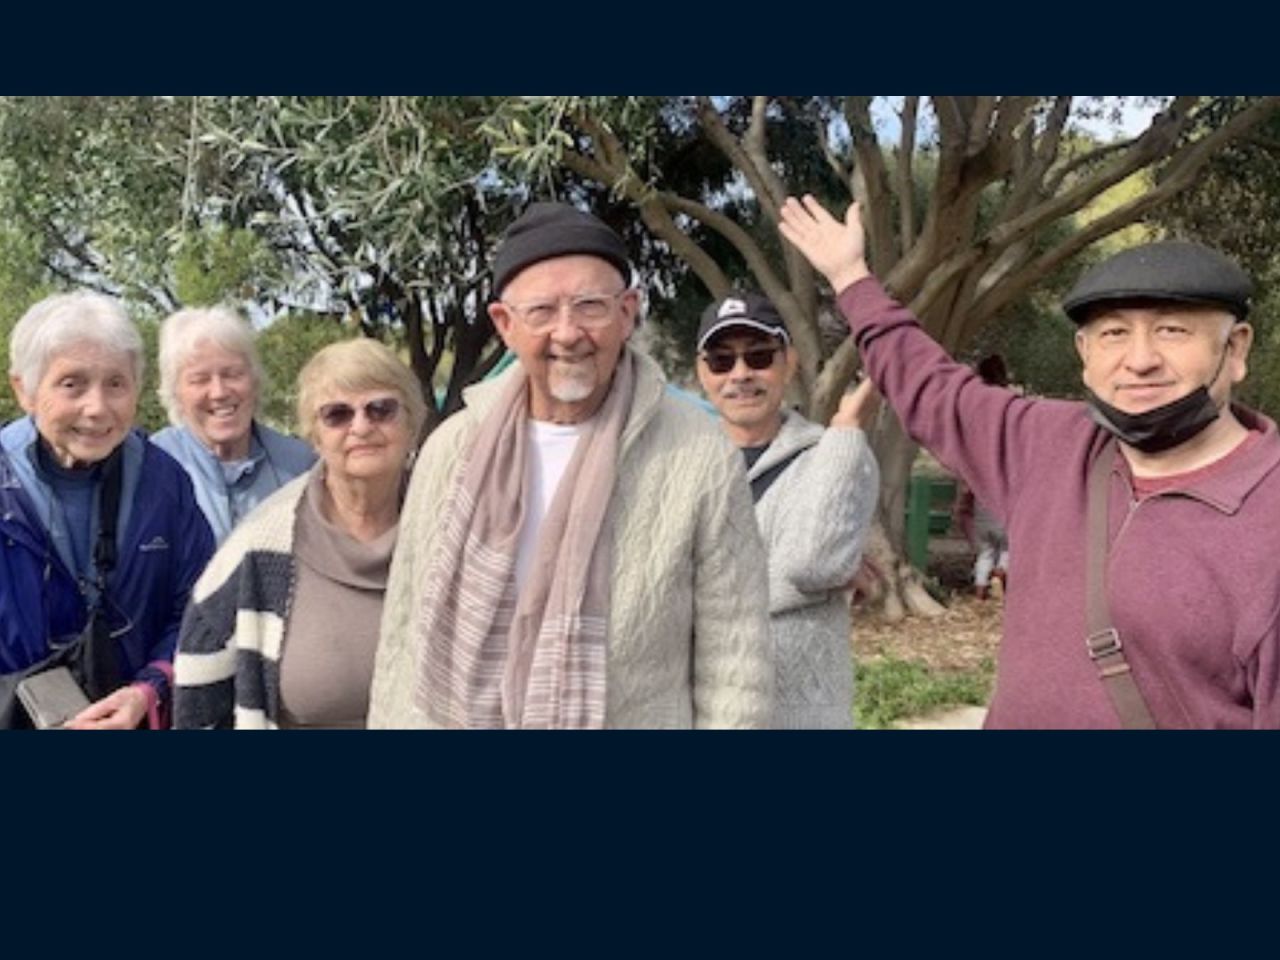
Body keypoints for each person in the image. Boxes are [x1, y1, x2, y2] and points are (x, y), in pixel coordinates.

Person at [780, 194, 1280, 729]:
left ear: (1235, 350)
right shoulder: (1046, 444)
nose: (1139, 360)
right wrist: (851, 278)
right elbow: (930, 386)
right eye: (1114, 333)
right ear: (1085, 355)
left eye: (1172, 331)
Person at [368, 201, 773, 729]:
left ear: (627, 312)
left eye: (590, 306)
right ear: (505, 325)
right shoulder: (451, 450)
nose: (567, 333)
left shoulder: (698, 455)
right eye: (541, 311)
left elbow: (736, 659)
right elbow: (403, 629)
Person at [172, 339, 425, 729]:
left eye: (381, 409)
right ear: (314, 436)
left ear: (411, 422)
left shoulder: (452, 528)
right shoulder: (261, 548)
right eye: (337, 415)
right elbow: (198, 686)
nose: (361, 426)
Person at [1, 291, 214, 728]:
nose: (97, 408)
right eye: (72, 384)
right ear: (24, 389)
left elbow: (200, 611)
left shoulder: (164, 482)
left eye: (116, 383)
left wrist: (148, 690)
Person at [694, 291, 880, 728]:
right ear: (703, 373)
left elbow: (813, 564)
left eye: (759, 357)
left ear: (789, 361)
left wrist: (847, 430)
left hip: (801, 717)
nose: (741, 375)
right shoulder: (677, 465)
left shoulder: (836, 456)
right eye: (722, 362)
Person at [151, 306, 315, 545]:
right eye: (200, 380)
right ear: (175, 392)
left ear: (255, 380)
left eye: (232, 374)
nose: (219, 392)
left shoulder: (301, 465)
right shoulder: (150, 466)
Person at [952, 354, 1011, 600]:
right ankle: (1001, 574)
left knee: (985, 549)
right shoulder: (1009, 403)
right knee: (1010, 546)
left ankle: (980, 589)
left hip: (980, 497)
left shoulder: (972, 404)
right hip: (1003, 498)